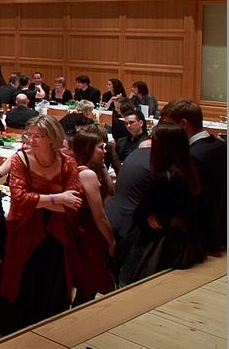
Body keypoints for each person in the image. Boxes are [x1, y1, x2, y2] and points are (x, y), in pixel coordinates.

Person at [0, 115, 83, 339]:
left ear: (52, 138)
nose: (31, 140)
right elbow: (20, 199)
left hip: (57, 233)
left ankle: (48, 335)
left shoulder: (67, 163)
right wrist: (59, 198)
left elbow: (75, 203)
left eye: (38, 136)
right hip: (25, 231)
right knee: (21, 280)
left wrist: (39, 200)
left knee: (52, 282)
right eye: (29, 135)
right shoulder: (21, 159)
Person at [117, 123, 206, 286]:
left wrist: (151, 216)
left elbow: (140, 214)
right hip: (186, 242)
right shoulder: (190, 171)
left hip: (161, 245)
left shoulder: (164, 178)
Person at [159, 99, 227, 254]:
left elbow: (198, 204)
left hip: (204, 240)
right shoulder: (222, 145)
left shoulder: (192, 157)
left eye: (169, 125)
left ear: (184, 124)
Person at [69, 130, 116, 305]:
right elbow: (99, 215)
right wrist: (111, 241)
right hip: (88, 233)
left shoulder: (86, 168)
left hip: (83, 231)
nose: (105, 151)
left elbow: (110, 190)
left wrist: (102, 165)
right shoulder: (87, 174)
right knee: (88, 285)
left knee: (85, 285)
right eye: (101, 147)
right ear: (88, 149)